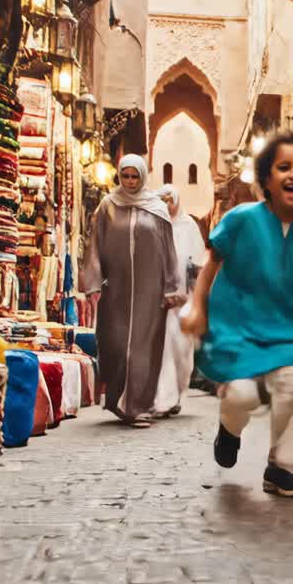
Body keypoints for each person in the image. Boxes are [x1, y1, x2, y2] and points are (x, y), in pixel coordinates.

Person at [182, 131, 293, 498]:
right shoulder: (241, 219)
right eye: (283, 167)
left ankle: (281, 468)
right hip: (237, 331)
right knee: (242, 396)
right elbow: (212, 264)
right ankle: (229, 429)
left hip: (286, 335)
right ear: (267, 178)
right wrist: (197, 305)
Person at [80, 155, 180, 428]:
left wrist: (172, 287)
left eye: (135, 176)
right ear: (119, 177)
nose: (130, 181)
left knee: (144, 347)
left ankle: (139, 406)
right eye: (125, 176)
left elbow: (169, 252)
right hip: (117, 290)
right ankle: (117, 400)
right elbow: (95, 246)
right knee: (114, 343)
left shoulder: (157, 208)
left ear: (143, 177)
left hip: (152, 289)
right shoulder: (108, 206)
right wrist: (92, 282)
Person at [153, 184, 207, 417]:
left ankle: (178, 394)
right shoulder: (153, 225)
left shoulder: (189, 227)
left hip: (184, 299)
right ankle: (162, 399)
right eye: (162, 200)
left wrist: (190, 295)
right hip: (159, 300)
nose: (167, 205)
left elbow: (197, 266)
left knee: (181, 351)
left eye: (170, 200)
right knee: (162, 349)